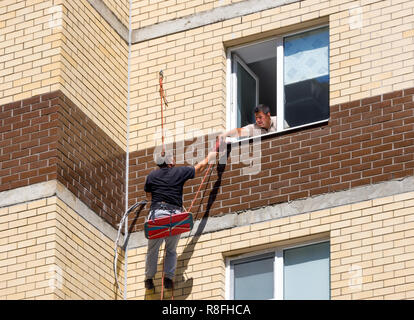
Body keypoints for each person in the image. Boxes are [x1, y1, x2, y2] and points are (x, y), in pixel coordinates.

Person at [144, 149, 218, 290]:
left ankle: (148, 279)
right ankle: (169, 278)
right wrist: (210, 157)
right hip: (174, 216)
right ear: (171, 161)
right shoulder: (178, 172)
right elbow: (199, 168)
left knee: (153, 249)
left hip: (157, 215)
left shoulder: (151, 176)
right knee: (171, 249)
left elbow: (149, 196)